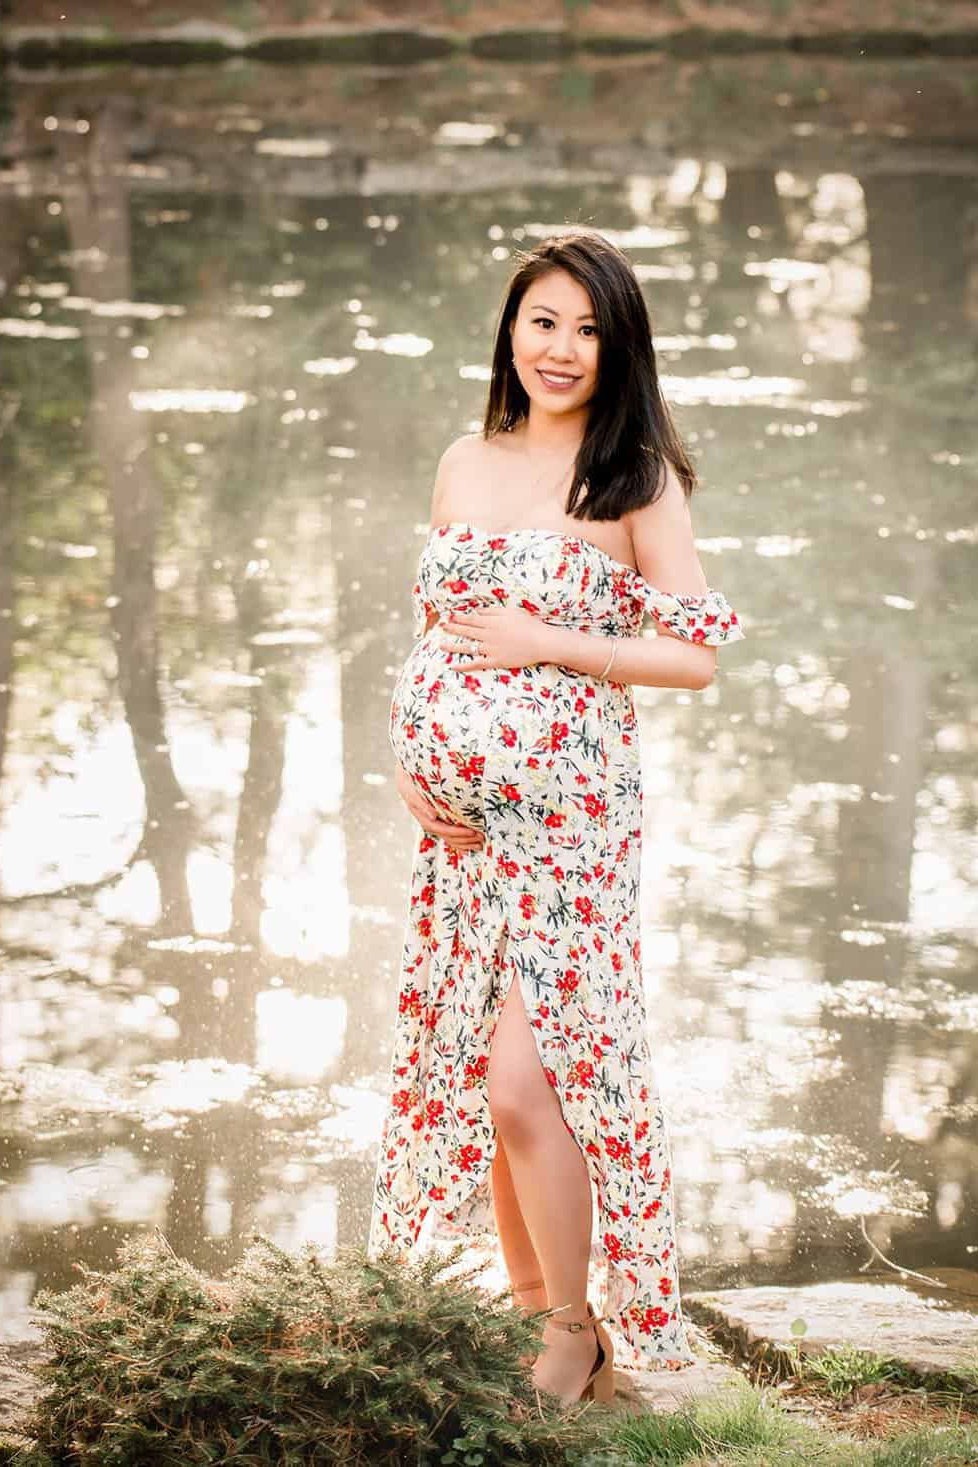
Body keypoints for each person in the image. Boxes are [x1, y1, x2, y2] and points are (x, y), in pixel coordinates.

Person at [367, 228, 742, 1406]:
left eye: (587, 328)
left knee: (538, 1082)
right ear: (509, 330)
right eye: (542, 321)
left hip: (572, 827)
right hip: (463, 830)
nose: (561, 348)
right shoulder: (463, 459)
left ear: (616, 345)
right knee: (485, 1070)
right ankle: (534, 1318)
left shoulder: (632, 479)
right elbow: (431, 629)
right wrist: (405, 762)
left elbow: (693, 660)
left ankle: (578, 1328)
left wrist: (551, 644)